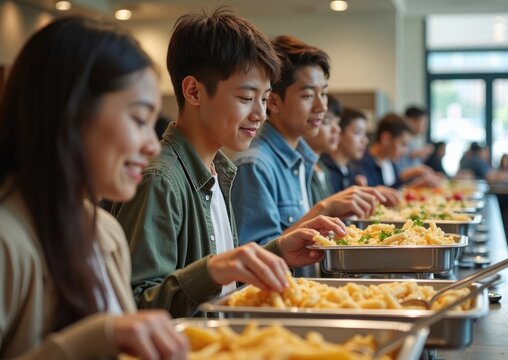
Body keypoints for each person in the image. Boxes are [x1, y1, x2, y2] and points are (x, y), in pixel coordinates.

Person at [112, 10, 346, 318]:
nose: (261, 114)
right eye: (246, 98)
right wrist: (212, 271)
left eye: (264, 99)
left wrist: (276, 252)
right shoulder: (161, 179)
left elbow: (222, 280)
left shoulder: (218, 170)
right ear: (194, 91)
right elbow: (137, 304)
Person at [0, 17, 187, 359]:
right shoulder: (7, 240)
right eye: (138, 119)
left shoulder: (105, 233)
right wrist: (95, 338)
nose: (152, 145)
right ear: (71, 114)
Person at [232, 35, 384, 249]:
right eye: (308, 95)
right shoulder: (255, 165)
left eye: (323, 93)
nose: (322, 106)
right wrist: (323, 209)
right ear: (273, 101)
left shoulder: (305, 159)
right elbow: (253, 258)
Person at [321, 106, 400, 205]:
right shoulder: (324, 170)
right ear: (339, 132)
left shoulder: (353, 171)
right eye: (358, 132)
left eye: (365, 134)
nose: (365, 140)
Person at [352, 113, 439, 189]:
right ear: (386, 139)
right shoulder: (363, 165)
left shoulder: (389, 162)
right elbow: (379, 198)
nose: (405, 151)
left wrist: (417, 183)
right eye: (403, 144)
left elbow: (393, 191)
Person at [304, 94, 342, 203]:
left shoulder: (322, 167)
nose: (337, 129)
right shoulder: (301, 167)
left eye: (337, 123)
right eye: (326, 121)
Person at [396, 106, 433, 173]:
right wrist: (416, 153)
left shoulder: (413, 140)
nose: (425, 127)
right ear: (411, 121)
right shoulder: (403, 138)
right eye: (424, 123)